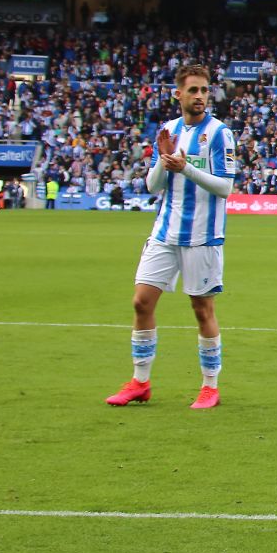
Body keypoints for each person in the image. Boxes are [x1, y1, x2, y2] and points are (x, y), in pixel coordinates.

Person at [106, 64, 238, 410]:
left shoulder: (220, 133)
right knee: (141, 302)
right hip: (164, 231)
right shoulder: (168, 130)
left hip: (202, 236)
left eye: (204, 91)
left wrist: (187, 167)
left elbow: (225, 187)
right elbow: (153, 186)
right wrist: (164, 161)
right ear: (177, 94)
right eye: (193, 90)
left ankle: (210, 387)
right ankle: (140, 382)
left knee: (201, 308)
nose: (200, 97)